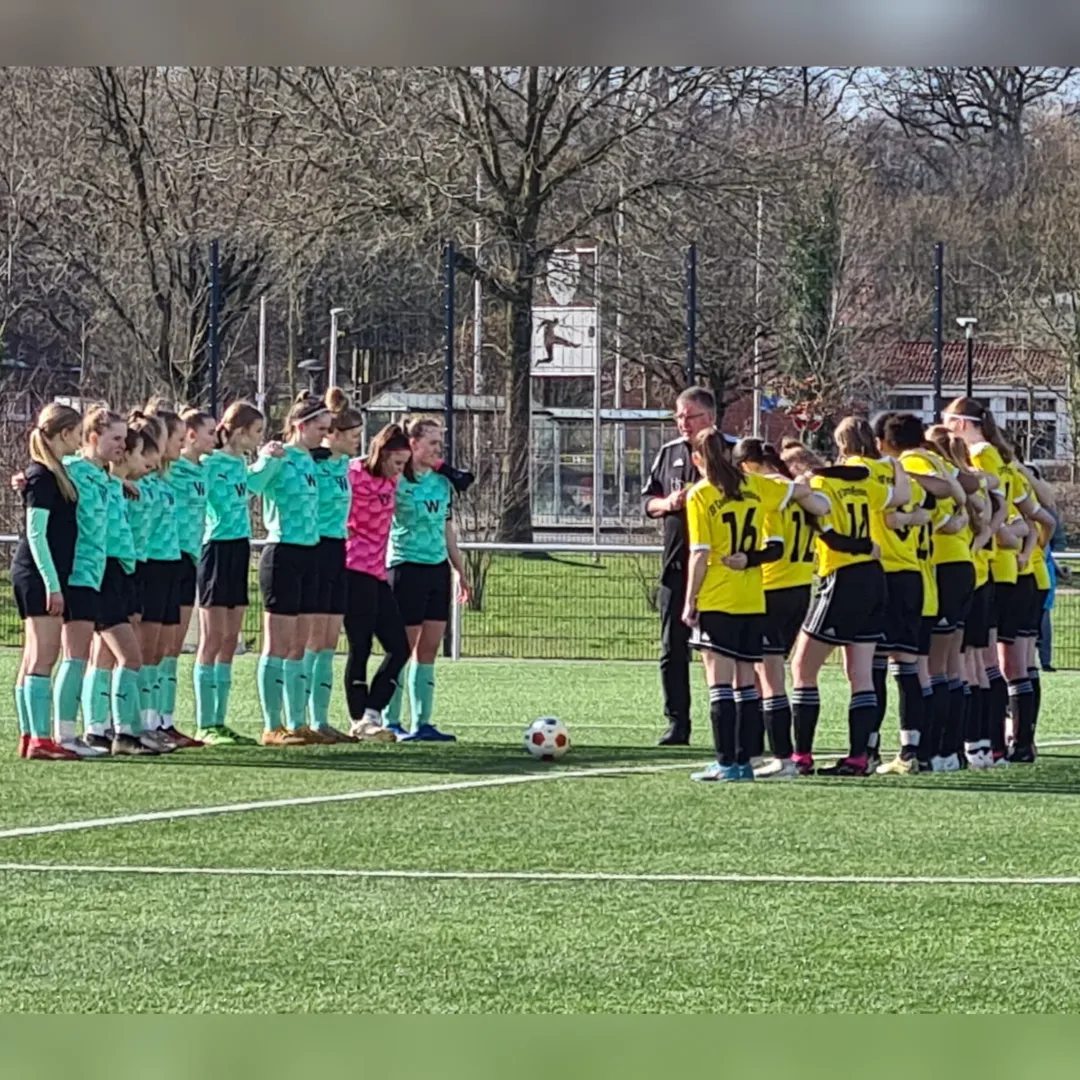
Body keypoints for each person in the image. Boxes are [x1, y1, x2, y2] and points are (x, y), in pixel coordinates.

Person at [682, 428, 804, 782]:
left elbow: (700, 553)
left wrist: (690, 600)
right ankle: (745, 760)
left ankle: (726, 763)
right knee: (746, 683)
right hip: (752, 597)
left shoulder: (701, 494)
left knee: (719, 685)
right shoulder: (755, 485)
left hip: (718, 596)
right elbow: (797, 492)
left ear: (697, 459)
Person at [789, 443, 904, 776]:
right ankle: (858, 757)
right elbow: (900, 496)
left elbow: (820, 520)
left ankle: (801, 756)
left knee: (802, 667)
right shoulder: (865, 483)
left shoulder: (819, 484)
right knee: (860, 673)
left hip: (842, 576)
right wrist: (896, 468)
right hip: (873, 576)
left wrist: (801, 486)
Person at [943, 397, 1036, 765]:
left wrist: (986, 535)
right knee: (994, 660)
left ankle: (988, 742)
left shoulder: (980, 454)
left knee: (979, 660)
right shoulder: (998, 457)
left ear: (962, 423)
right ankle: (1002, 743)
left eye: (947, 419)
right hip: (1004, 566)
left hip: (991, 566)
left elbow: (996, 505)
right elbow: (1032, 513)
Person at [732, 438, 829, 779]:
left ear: (747, 465)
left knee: (770, 678)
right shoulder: (797, 490)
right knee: (767, 675)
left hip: (772, 589)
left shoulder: (768, 490)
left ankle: (784, 757)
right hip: (800, 589)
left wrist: (745, 559)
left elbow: (772, 545)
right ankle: (764, 749)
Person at [832, 416, 924, 774]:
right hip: (912, 572)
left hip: (878, 571)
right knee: (907, 665)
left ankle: (867, 748)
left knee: (871, 667)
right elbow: (919, 505)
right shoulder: (895, 469)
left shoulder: (857, 471)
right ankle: (911, 749)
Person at [643, 386, 734, 746]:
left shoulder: (733, 451)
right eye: (678, 415)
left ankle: (734, 726)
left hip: (724, 571)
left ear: (709, 417)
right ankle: (677, 723)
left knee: (726, 651)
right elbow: (648, 502)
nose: (683, 422)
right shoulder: (669, 453)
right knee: (672, 649)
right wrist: (667, 503)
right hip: (677, 568)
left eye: (690, 415)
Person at [249, 391, 331, 746]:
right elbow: (251, 485)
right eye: (320, 429)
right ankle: (272, 725)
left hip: (310, 554)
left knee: (300, 645)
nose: (324, 436)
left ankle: (297, 723)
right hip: (282, 553)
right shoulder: (280, 455)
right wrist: (265, 459)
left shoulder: (310, 460)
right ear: (300, 425)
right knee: (277, 645)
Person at [382, 417, 471, 742]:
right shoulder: (397, 481)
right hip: (406, 567)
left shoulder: (441, 483)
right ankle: (391, 720)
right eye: (432, 442)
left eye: (439, 442)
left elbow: (447, 530)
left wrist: (460, 570)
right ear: (413, 444)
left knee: (429, 648)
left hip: (436, 569)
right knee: (401, 648)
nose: (438, 449)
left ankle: (422, 722)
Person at [10, 403, 84, 760]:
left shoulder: (54, 473)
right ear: (64, 433)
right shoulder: (41, 476)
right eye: (77, 433)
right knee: (44, 656)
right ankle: (40, 738)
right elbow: (36, 535)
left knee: (33, 656)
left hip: (43, 574)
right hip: (38, 575)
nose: (80, 440)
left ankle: (30, 736)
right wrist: (52, 584)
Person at [79, 425, 157, 756]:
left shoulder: (115, 485)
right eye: (138, 452)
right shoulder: (89, 475)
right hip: (105, 571)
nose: (149, 463)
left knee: (108, 656)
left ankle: (101, 729)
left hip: (124, 570)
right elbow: (63, 467)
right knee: (127, 656)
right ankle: (121, 732)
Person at [193, 400, 265, 745]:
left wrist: (268, 462)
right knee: (212, 637)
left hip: (239, 548)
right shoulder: (209, 463)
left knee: (229, 639)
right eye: (256, 432)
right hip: (216, 549)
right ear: (238, 431)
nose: (260, 438)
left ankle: (220, 721)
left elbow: (252, 487)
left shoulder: (240, 464)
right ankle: (204, 722)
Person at [343, 423, 413, 742]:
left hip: (377, 572)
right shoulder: (353, 472)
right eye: (397, 462)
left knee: (399, 647)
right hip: (352, 569)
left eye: (404, 464)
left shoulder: (393, 480)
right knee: (361, 646)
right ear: (382, 455)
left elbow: (426, 464)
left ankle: (373, 711)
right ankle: (359, 718)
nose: (400, 470)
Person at [304, 387, 364, 743]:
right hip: (315, 548)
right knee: (311, 641)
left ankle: (321, 719)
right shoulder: (315, 462)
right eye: (353, 435)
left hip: (338, 549)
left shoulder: (345, 466)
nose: (358, 441)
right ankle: (300, 719)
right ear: (335, 434)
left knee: (328, 641)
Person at [169, 407, 215, 744]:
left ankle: (164, 721)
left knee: (172, 649)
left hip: (190, 559)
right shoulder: (171, 468)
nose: (215, 437)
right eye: (210, 432)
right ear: (190, 435)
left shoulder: (206, 468)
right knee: (154, 649)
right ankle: (134, 722)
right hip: (167, 557)